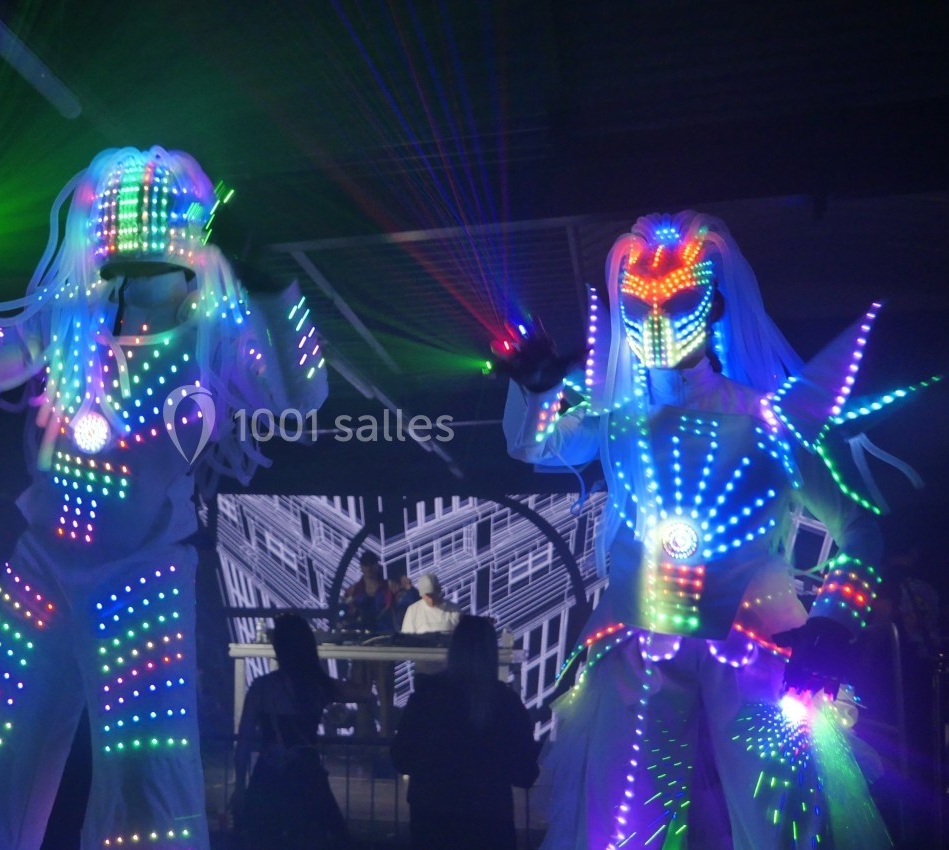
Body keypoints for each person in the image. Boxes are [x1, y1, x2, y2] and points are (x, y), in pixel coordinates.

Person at [0, 146, 327, 849]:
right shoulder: (69, 321)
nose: (130, 278)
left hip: (142, 574)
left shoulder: (212, 334)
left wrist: (278, 295)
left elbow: (302, 393)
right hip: (39, 563)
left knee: (145, 779)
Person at [499, 211, 930, 849]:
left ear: (714, 301)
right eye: (637, 305)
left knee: (783, 824)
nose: (654, 321)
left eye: (675, 301)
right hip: (640, 639)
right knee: (626, 825)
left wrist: (833, 622)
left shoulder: (771, 418)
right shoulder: (619, 419)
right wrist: (535, 391)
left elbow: (860, 529)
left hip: (758, 641)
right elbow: (529, 447)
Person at [391, 616, 539, 850]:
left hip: (432, 816)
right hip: (488, 819)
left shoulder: (427, 697)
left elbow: (401, 758)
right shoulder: (505, 703)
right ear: (491, 652)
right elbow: (525, 773)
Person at [232, 614, 349, 850]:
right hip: (307, 775)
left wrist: (239, 788)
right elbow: (364, 694)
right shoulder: (318, 686)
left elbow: (244, 741)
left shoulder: (262, 687)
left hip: (269, 775)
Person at [341, 550, 395, 737]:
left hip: (384, 647)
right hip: (361, 647)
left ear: (377, 565)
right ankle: (364, 739)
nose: (369, 568)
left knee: (385, 696)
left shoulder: (389, 587)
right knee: (361, 694)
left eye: (372, 563)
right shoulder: (354, 591)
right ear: (361, 567)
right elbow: (348, 617)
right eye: (366, 564)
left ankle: (386, 740)